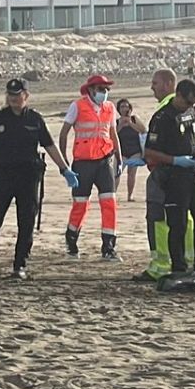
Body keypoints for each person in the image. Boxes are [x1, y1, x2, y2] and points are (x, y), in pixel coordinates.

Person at [0, 78, 74, 280]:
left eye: (17, 95)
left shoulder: (35, 119)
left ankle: (20, 266)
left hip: (28, 178)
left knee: (26, 223)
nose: (13, 98)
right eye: (10, 95)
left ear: (26, 96)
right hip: (2, 177)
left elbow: (49, 145)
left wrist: (64, 168)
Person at [142, 77, 195, 278]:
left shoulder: (192, 111)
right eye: (187, 102)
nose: (190, 106)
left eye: (193, 104)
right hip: (174, 176)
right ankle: (179, 266)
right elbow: (149, 152)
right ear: (178, 95)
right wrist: (175, 160)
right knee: (178, 224)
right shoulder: (162, 118)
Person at [56, 74, 121, 260]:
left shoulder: (110, 108)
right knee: (81, 204)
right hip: (83, 163)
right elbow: (63, 133)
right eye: (101, 89)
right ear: (91, 90)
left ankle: (108, 246)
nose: (105, 93)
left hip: (104, 161)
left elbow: (113, 133)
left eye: (107, 90)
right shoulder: (77, 106)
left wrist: (118, 157)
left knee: (109, 203)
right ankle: (71, 239)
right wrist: (65, 162)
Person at [136, 67, 189, 280]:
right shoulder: (185, 109)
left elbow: (154, 146)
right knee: (184, 219)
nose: (151, 87)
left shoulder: (166, 111)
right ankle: (185, 260)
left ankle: (161, 264)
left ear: (168, 84)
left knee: (158, 218)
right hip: (180, 174)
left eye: (155, 83)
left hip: (165, 173)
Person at [116, 97, 146, 201]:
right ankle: (113, 194)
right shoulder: (116, 121)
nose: (124, 108)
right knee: (117, 173)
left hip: (135, 150)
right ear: (119, 109)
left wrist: (130, 124)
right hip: (122, 151)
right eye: (122, 106)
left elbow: (143, 130)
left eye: (126, 106)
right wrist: (120, 125)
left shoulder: (134, 119)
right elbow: (113, 134)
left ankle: (130, 195)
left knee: (131, 174)